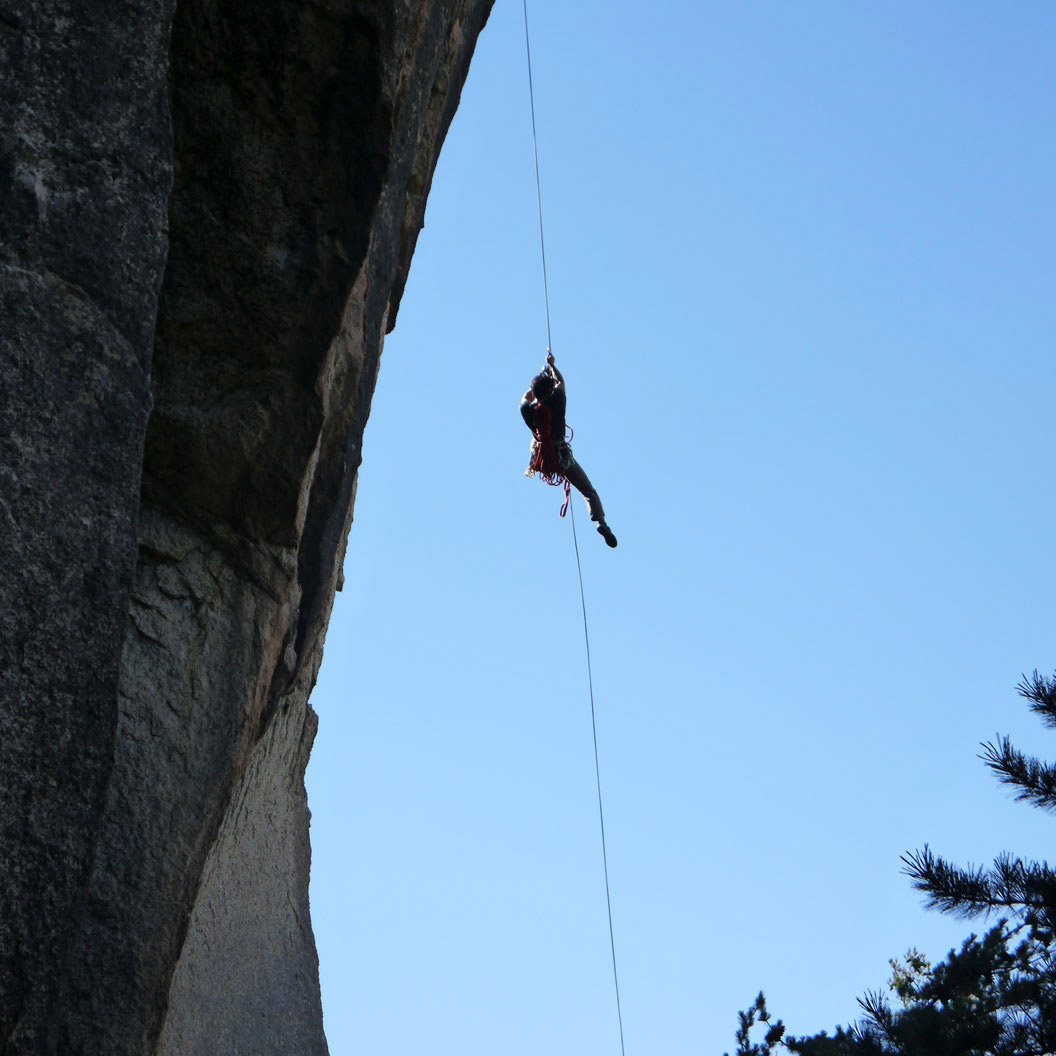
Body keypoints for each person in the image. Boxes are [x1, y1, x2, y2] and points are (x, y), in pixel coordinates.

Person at [521, 352, 617, 548]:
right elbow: (561, 382)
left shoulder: (528, 411)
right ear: (550, 390)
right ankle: (601, 522)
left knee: (536, 438)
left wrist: (537, 386)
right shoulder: (558, 400)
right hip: (561, 457)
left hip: (540, 459)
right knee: (588, 491)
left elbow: (526, 397)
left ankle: (533, 460)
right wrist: (552, 367)